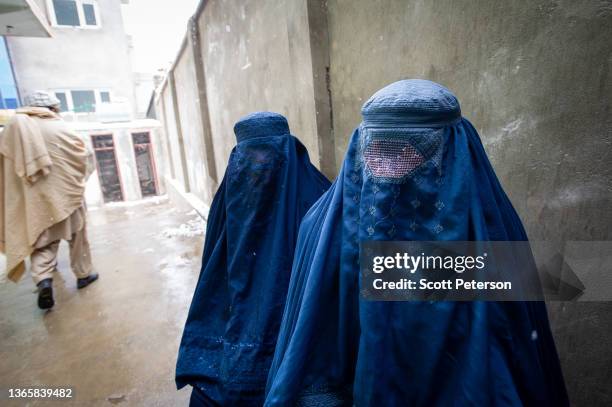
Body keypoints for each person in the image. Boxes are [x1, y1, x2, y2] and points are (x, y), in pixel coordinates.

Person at [265, 80, 569, 406]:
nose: (388, 170)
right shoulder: (320, 232)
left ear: (452, 152)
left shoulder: (494, 231)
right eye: (377, 154)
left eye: (407, 153)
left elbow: (518, 347)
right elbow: (310, 349)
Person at [175, 112, 330, 406]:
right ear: (237, 159)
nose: (259, 164)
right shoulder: (228, 202)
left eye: (268, 154)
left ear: (288, 150)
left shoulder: (320, 198)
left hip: (303, 326)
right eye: (250, 156)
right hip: (238, 320)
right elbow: (213, 267)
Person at [0, 91, 98, 310]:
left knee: (42, 243)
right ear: (53, 108)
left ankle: (43, 280)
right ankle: (83, 275)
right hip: (67, 197)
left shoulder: (11, 131)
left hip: (34, 203)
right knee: (77, 237)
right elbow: (86, 158)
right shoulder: (62, 128)